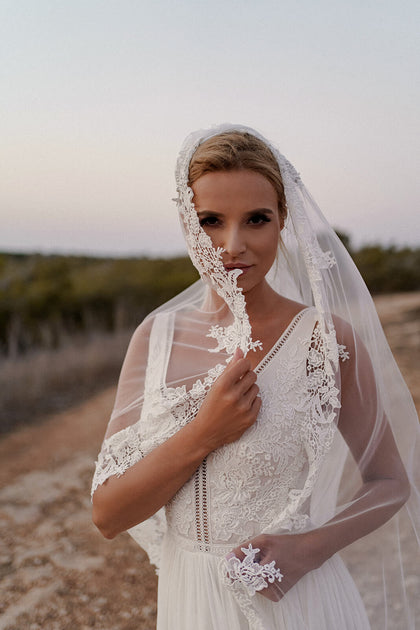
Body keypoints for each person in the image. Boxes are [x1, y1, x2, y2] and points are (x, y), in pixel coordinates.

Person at [91, 124, 419, 630]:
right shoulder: (154, 338)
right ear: (185, 221)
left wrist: (309, 549)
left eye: (257, 219)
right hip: (191, 604)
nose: (233, 244)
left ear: (282, 221)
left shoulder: (324, 341)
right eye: (211, 221)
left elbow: (391, 481)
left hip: (298, 603)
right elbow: (108, 515)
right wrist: (205, 432)